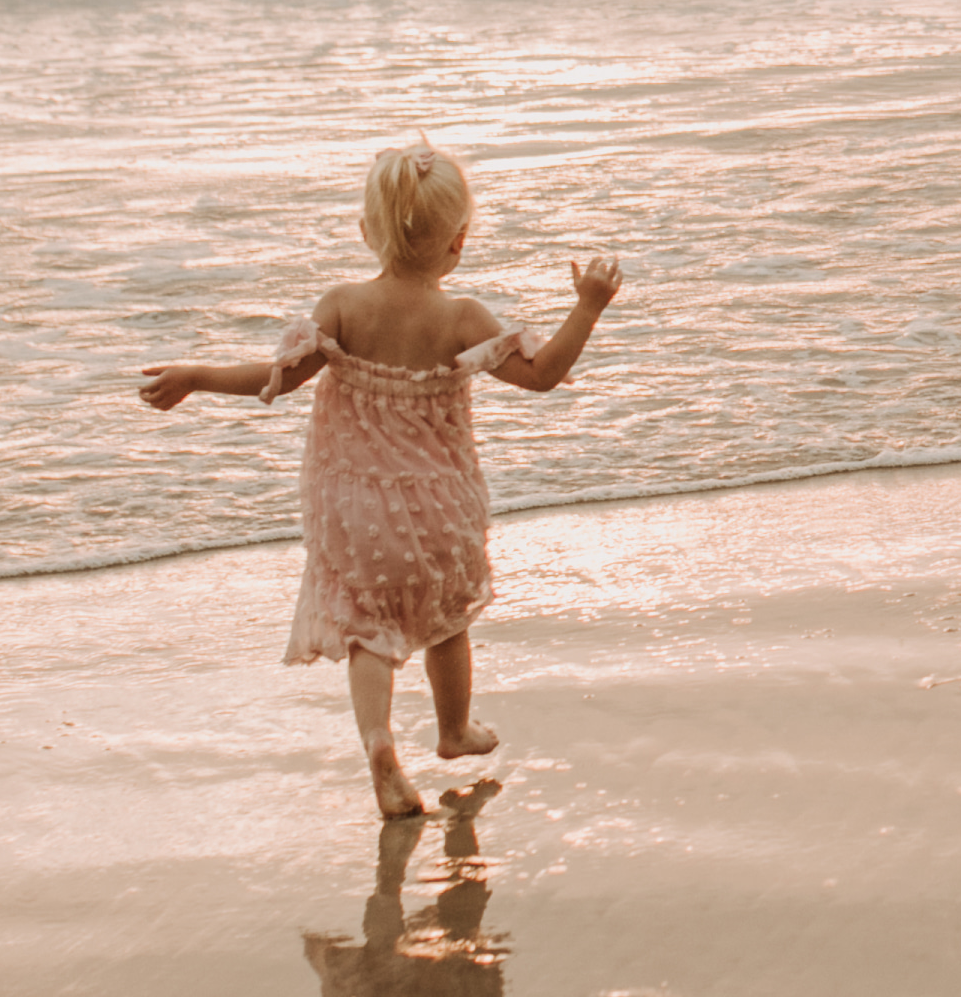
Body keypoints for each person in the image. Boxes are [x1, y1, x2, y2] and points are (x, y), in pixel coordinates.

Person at [141, 136, 621, 817]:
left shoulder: (342, 306)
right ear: (458, 243)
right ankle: (454, 731)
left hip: (353, 506)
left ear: (367, 231)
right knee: (447, 620)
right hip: (440, 506)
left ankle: (377, 741)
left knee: (371, 629)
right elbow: (541, 377)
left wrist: (196, 376)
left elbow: (272, 379)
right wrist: (588, 308)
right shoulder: (461, 317)